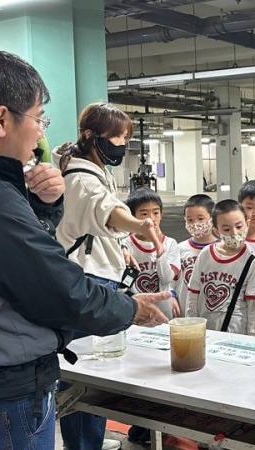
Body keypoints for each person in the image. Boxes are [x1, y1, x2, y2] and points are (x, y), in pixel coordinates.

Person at [0, 50, 168, 450]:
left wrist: (41, 207)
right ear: (1, 120)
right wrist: (130, 309)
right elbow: (54, 288)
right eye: (38, 119)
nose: (40, 134)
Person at [56, 102, 168, 450]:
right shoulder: (82, 178)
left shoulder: (88, 168)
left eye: (125, 138)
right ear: (91, 136)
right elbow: (106, 211)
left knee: (95, 368)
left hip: (92, 274)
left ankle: (90, 440)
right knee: (85, 374)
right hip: (87, 282)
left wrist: (119, 246)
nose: (122, 144)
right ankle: (84, 445)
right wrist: (137, 225)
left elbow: (92, 223)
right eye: (117, 137)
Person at [186, 200, 255, 335]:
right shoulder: (206, 254)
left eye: (239, 226)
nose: (234, 233)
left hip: (236, 331)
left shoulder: (251, 259)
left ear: (247, 223)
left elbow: (252, 306)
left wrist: (253, 337)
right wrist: (192, 325)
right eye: (226, 229)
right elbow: (193, 294)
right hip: (206, 329)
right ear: (216, 230)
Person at [123, 188, 181, 319]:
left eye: (156, 213)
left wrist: (157, 244)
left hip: (164, 312)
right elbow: (124, 282)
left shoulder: (170, 243)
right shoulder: (125, 245)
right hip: (137, 311)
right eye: (144, 214)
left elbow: (166, 278)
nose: (151, 219)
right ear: (132, 216)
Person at [177, 194, 218, 317]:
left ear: (212, 219)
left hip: (213, 312)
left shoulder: (222, 249)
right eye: (190, 220)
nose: (195, 224)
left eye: (201, 219)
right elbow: (172, 281)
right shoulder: (180, 249)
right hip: (185, 311)